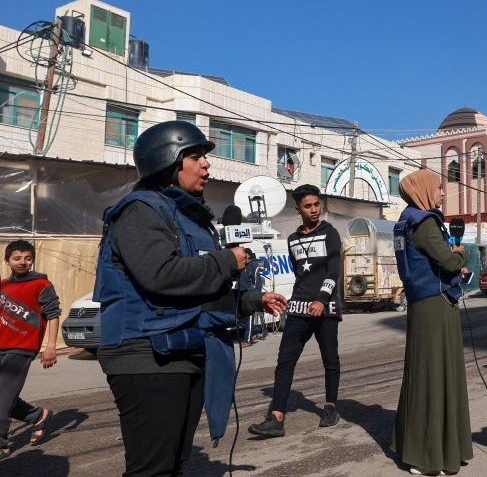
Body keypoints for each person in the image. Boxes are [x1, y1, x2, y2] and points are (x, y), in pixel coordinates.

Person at [94, 121, 286, 476]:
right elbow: (161, 275)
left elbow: (201, 291)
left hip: (183, 349)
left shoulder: (191, 219)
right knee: (151, 468)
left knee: (175, 463)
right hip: (145, 356)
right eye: (195, 156)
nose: (206, 164)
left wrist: (252, 301)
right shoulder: (140, 211)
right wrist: (227, 260)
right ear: (168, 162)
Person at [391, 170, 473, 476]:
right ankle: (428, 456)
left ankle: (436, 449)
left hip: (422, 302)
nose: (441, 193)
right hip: (435, 306)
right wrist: (462, 255)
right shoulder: (425, 222)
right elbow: (449, 262)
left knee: (430, 373)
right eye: (438, 188)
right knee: (434, 375)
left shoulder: (404, 222)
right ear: (423, 190)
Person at [249, 184, 344, 437]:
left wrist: (322, 299)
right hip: (299, 307)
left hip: (325, 308)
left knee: (330, 360)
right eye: (308, 206)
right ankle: (276, 418)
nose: (314, 210)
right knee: (284, 362)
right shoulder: (292, 240)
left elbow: (334, 271)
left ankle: (331, 407)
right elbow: (300, 273)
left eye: (316, 204)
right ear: (298, 209)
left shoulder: (330, 233)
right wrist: (303, 300)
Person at [0, 240, 60, 459]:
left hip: (22, 348)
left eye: (28, 258)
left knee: (2, 399)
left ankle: (2, 445)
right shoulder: (3, 286)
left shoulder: (41, 284)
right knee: (3, 397)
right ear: (6, 260)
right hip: (1, 346)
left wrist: (50, 346)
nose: (23, 262)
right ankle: (37, 416)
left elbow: (53, 315)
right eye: (17, 258)